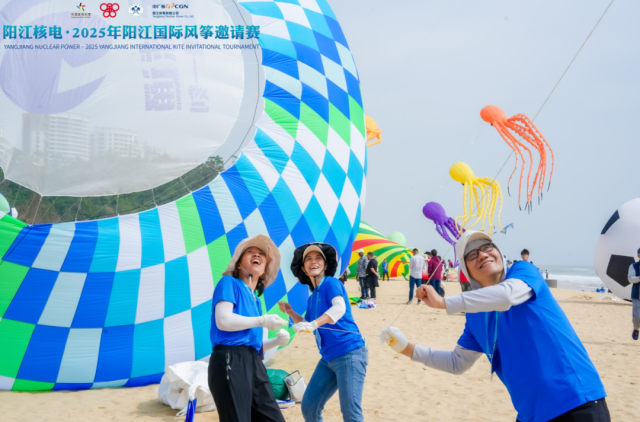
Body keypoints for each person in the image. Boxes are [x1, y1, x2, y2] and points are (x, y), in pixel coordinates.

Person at [380, 230, 610, 422]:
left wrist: (444, 303)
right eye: (472, 254)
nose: (482, 254)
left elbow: (507, 296)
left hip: (576, 402)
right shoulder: (474, 315)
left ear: (499, 251)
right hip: (530, 414)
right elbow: (457, 362)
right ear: (466, 270)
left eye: (487, 246)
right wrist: (406, 348)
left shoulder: (523, 271)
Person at [280, 243, 368, 422]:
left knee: (351, 413)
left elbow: (339, 307)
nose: (314, 261)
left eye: (318, 258)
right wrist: (291, 312)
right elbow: (307, 323)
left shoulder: (331, 283)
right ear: (303, 268)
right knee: (309, 407)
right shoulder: (312, 297)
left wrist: (314, 324)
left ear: (326, 265)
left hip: (349, 353)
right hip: (327, 359)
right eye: (308, 259)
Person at [209, 235, 290, 422]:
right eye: (250, 252)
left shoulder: (256, 300)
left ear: (265, 268)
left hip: (253, 361)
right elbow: (223, 321)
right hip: (229, 358)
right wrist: (262, 320)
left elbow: (251, 345)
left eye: (261, 254)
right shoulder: (229, 283)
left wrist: (276, 341)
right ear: (238, 264)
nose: (257, 255)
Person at [627, 248, 640, 341]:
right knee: (637, 316)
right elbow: (630, 279)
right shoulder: (633, 266)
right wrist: (639, 278)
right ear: (638, 255)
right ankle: (636, 329)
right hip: (637, 295)